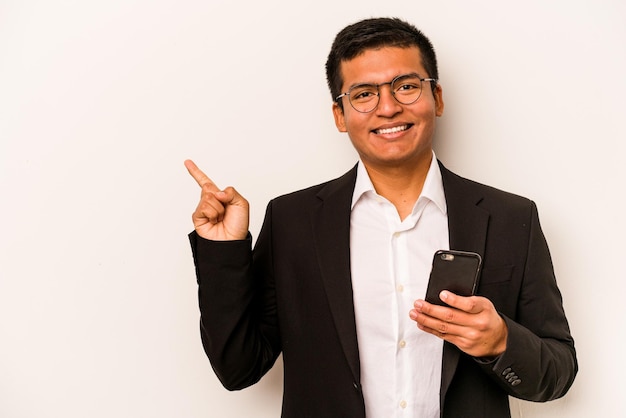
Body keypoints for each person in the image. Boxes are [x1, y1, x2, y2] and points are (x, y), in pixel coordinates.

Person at [185, 17, 577, 418]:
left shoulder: (511, 218)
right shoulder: (293, 221)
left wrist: (500, 342)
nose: (388, 108)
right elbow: (238, 369)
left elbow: (558, 372)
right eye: (364, 94)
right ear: (340, 115)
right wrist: (223, 250)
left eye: (406, 86)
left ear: (437, 98)